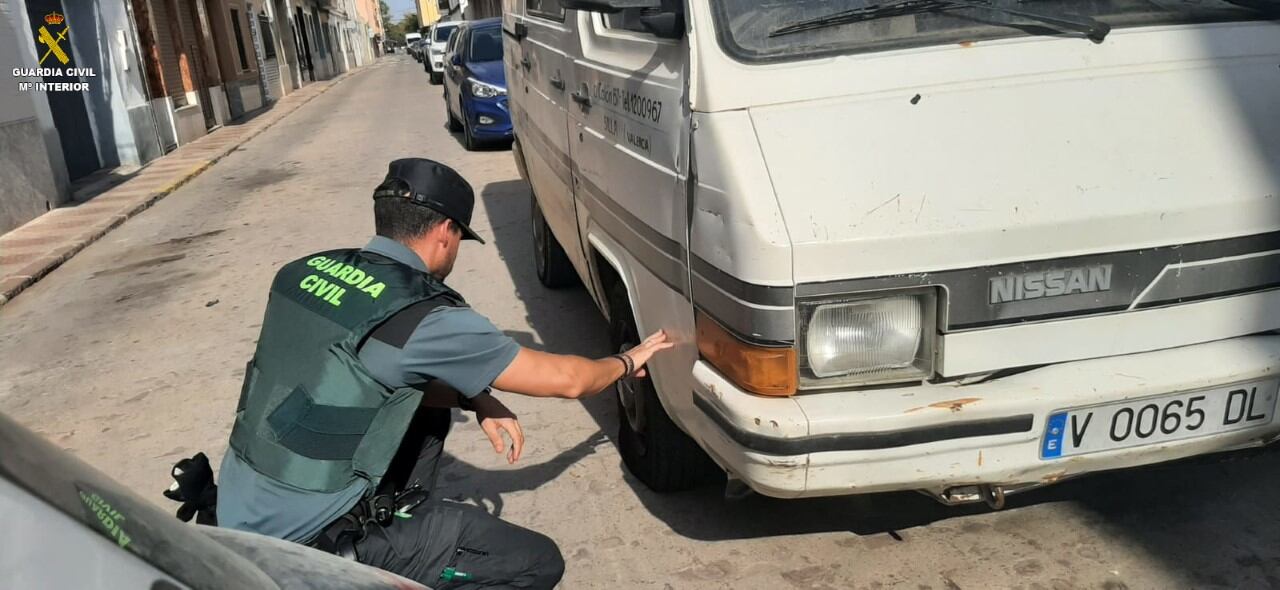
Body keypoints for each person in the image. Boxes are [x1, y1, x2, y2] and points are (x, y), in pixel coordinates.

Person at [215, 158, 673, 588]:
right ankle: (375, 560)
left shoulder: (300, 272)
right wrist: (629, 360)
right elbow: (568, 380)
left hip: (238, 511)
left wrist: (475, 397)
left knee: (424, 407)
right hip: (310, 541)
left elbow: (357, 376)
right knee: (536, 563)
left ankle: (398, 520)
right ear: (446, 232)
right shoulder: (424, 316)